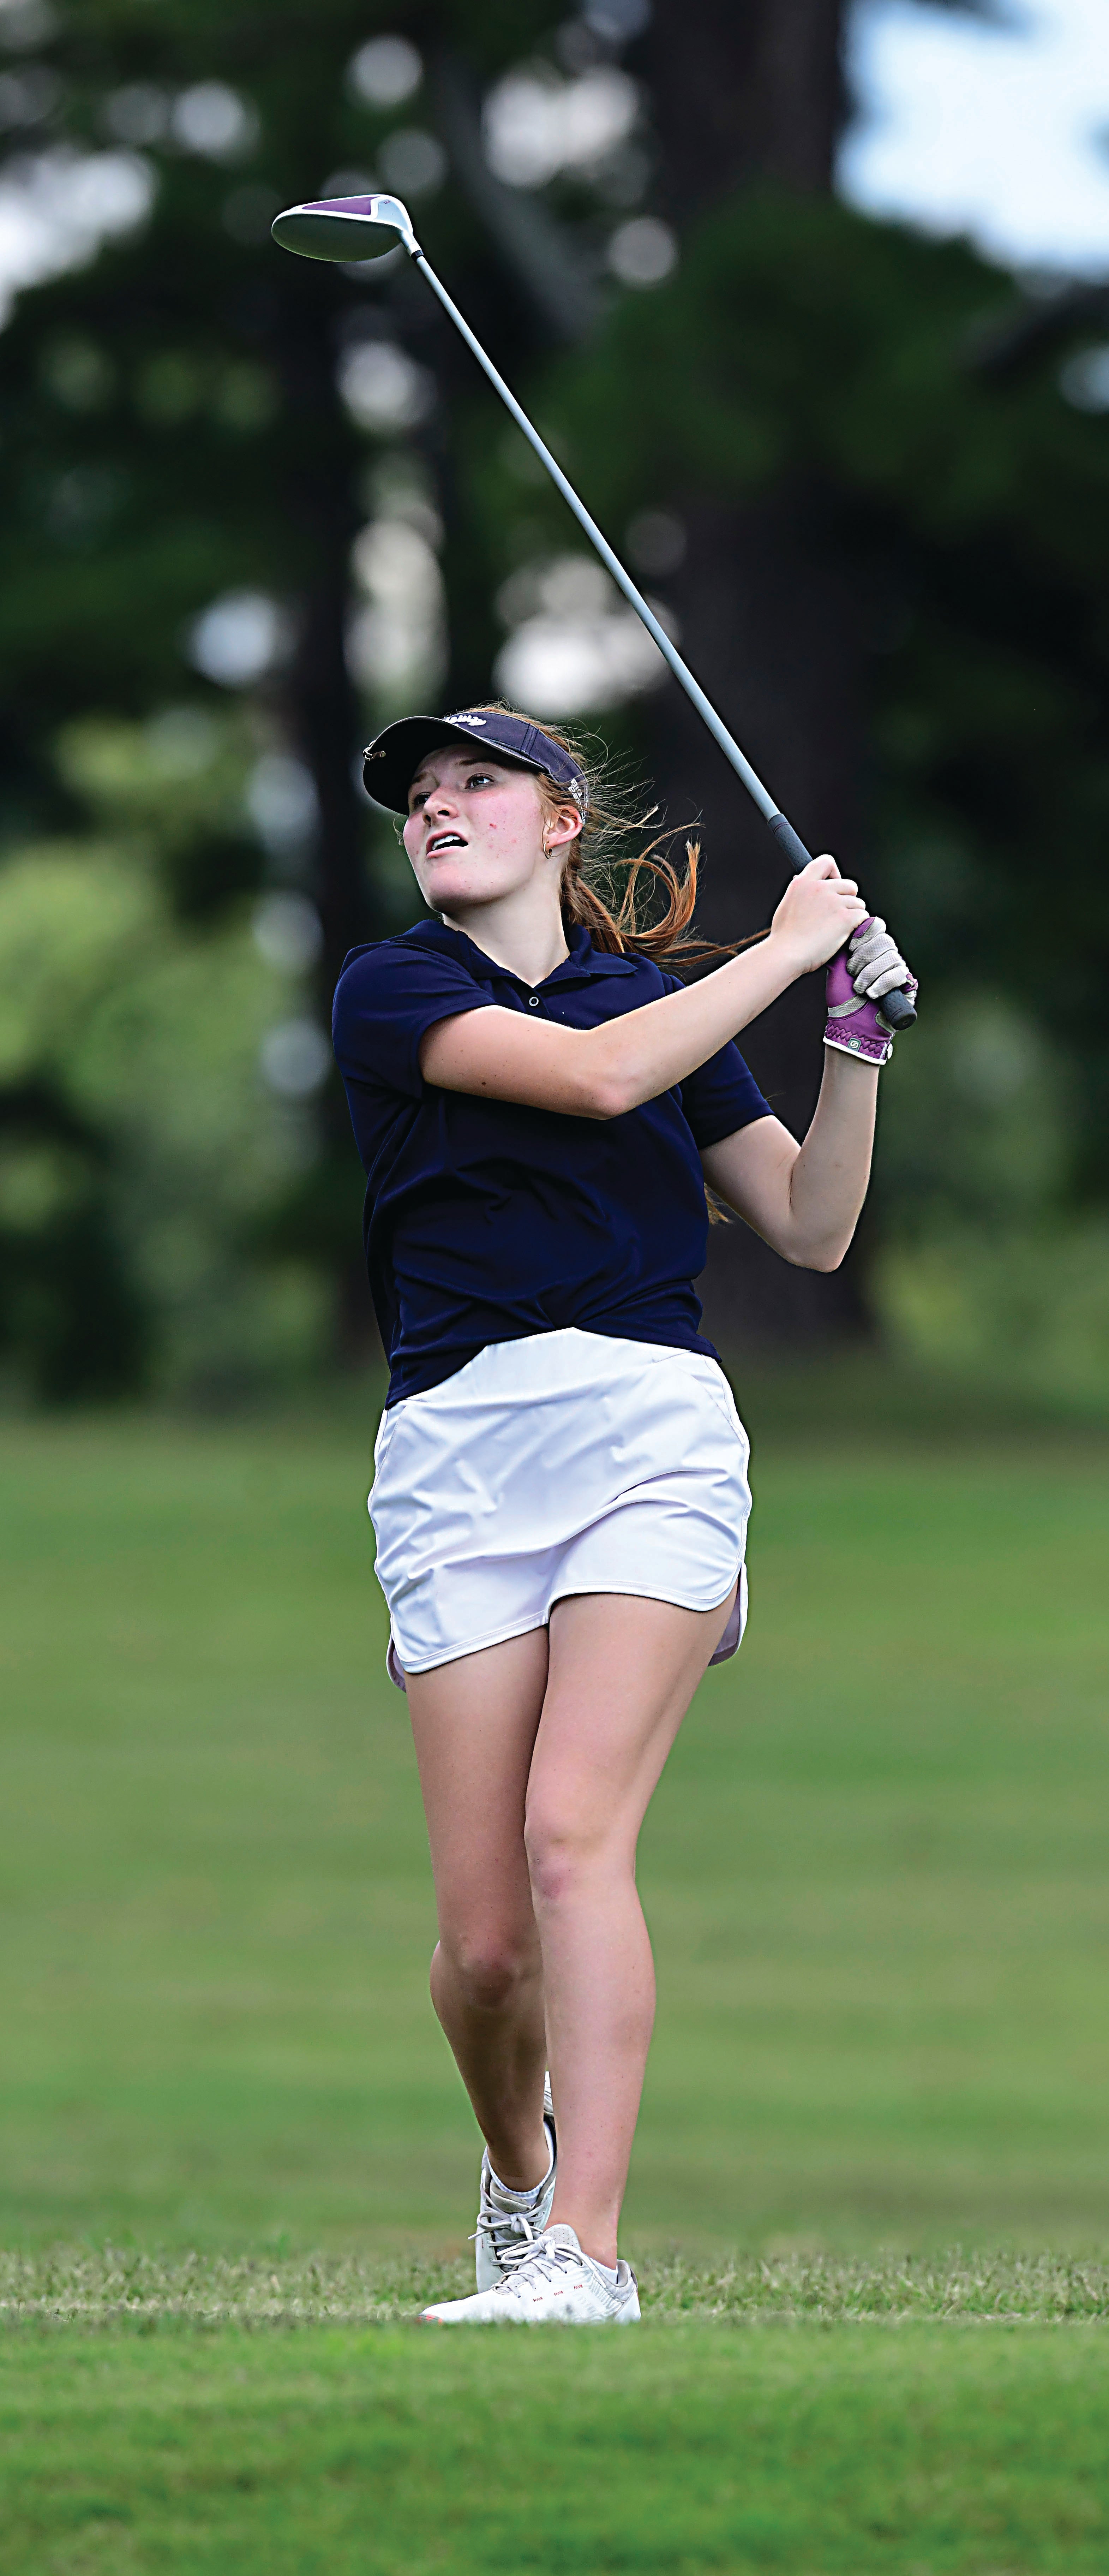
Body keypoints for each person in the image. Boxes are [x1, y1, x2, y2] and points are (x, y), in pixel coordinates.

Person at [332, 704, 915, 2326]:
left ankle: (588, 2256)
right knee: (486, 1948)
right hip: (458, 1452)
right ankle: (522, 2178)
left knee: (575, 1836)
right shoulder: (399, 989)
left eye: (477, 785)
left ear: (562, 822)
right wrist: (795, 952)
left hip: (651, 1428)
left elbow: (807, 1223)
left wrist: (854, 1047)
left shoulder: (659, 1007)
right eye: (421, 797)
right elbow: (595, 1083)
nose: (438, 810)